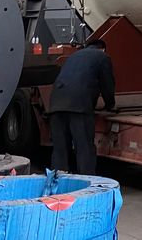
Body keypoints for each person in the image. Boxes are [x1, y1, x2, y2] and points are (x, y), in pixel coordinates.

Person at [48, 39, 116, 174]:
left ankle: (57, 182)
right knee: (84, 148)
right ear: (102, 48)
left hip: (56, 103)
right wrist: (110, 105)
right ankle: (87, 180)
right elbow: (107, 84)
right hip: (79, 105)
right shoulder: (102, 56)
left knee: (60, 150)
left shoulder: (74, 56)